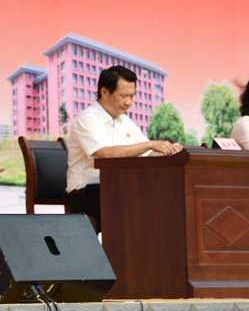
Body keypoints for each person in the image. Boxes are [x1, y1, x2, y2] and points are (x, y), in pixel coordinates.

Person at [66, 65, 183, 231]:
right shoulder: (86, 120)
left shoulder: (125, 121)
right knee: (140, 200)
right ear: (104, 92)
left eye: (132, 96)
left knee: (164, 196)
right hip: (88, 194)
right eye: (123, 96)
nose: (128, 102)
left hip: (120, 188)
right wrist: (151, 144)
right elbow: (105, 153)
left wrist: (171, 151)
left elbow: (147, 154)